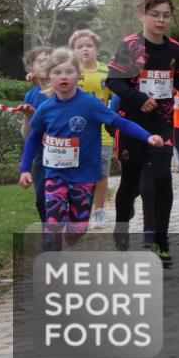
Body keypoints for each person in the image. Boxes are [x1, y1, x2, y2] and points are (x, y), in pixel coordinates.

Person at [20, 48, 163, 251]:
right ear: (49, 77)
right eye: (57, 72)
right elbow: (34, 139)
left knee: (78, 228)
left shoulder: (90, 104)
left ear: (78, 76)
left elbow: (121, 123)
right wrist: (25, 169)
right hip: (55, 174)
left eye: (69, 71)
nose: (63, 77)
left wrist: (148, 136)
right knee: (53, 223)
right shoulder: (46, 108)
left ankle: (72, 233)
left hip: (84, 176)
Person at [107, 0, 179, 268]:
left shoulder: (175, 49)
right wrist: (138, 98)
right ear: (141, 15)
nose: (160, 20)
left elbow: (177, 79)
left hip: (163, 122)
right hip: (132, 123)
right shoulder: (129, 45)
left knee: (162, 179)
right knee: (131, 183)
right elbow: (113, 81)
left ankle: (160, 241)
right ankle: (121, 235)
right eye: (154, 15)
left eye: (166, 16)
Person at [68, 29, 116, 230]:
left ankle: (98, 210)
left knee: (100, 174)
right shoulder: (69, 72)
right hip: (74, 133)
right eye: (80, 47)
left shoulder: (107, 72)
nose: (85, 49)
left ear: (97, 50)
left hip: (102, 132)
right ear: (73, 51)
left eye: (89, 45)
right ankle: (78, 210)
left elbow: (116, 97)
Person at [18, 46, 53, 223]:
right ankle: (51, 238)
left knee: (65, 200)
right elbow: (27, 136)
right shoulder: (30, 96)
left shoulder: (65, 88)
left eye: (49, 58)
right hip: (42, 157)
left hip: (69, 157)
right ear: (32, 69)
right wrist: (29, 116)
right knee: (41, 201)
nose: (46, 63)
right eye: (40, 61)